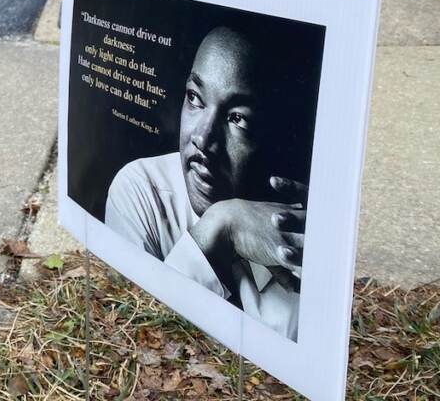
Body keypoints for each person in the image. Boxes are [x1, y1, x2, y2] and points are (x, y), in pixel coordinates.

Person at [105, 26, 310, 340]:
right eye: (195, 98)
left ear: (276, 136)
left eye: (237, 118)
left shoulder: (303, 229)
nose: (202, 137)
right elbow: (132, 339)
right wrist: (216, 229)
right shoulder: (141, 191)